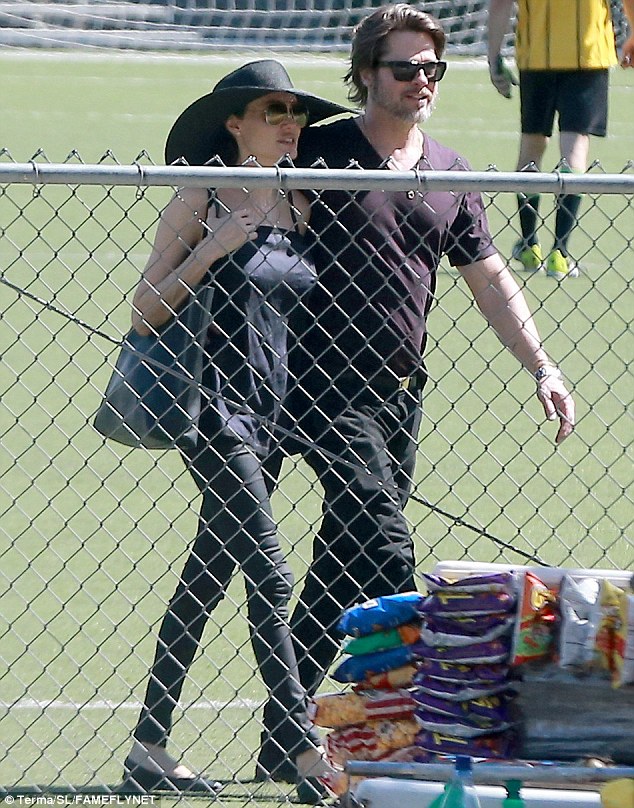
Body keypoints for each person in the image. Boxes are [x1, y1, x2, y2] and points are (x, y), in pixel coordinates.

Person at [255, 3, 576, 782]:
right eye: (405, 68)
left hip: (401, 395)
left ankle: (282, 732)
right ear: (367, 72)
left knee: (339, 559)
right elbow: (248, 210)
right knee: (390, 551)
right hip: (321, 389)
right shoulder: (325, 152)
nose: (421, 81)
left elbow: (491, 279)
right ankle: (432, 732)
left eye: (432, 68)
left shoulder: (449, 168)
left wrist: (543, 366)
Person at [121, 60, 348, 803]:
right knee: (271, 573)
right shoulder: (204, 194)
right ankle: (301, 746)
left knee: (208, 574)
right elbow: (143, 309)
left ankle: (148, 746)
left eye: (297, 113)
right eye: (275, 109)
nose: (291, 122)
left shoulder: (305, 201)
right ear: (234, 122)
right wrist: (216, 245)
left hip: (273, 415)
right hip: (213, 413)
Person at [487, 0, 634, 279]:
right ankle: (561, 253)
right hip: (589, 55)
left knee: (531, 147)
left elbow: (500, 4)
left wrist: (493, 56)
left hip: (536, 55)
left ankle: (530, 244)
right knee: (575, 149)